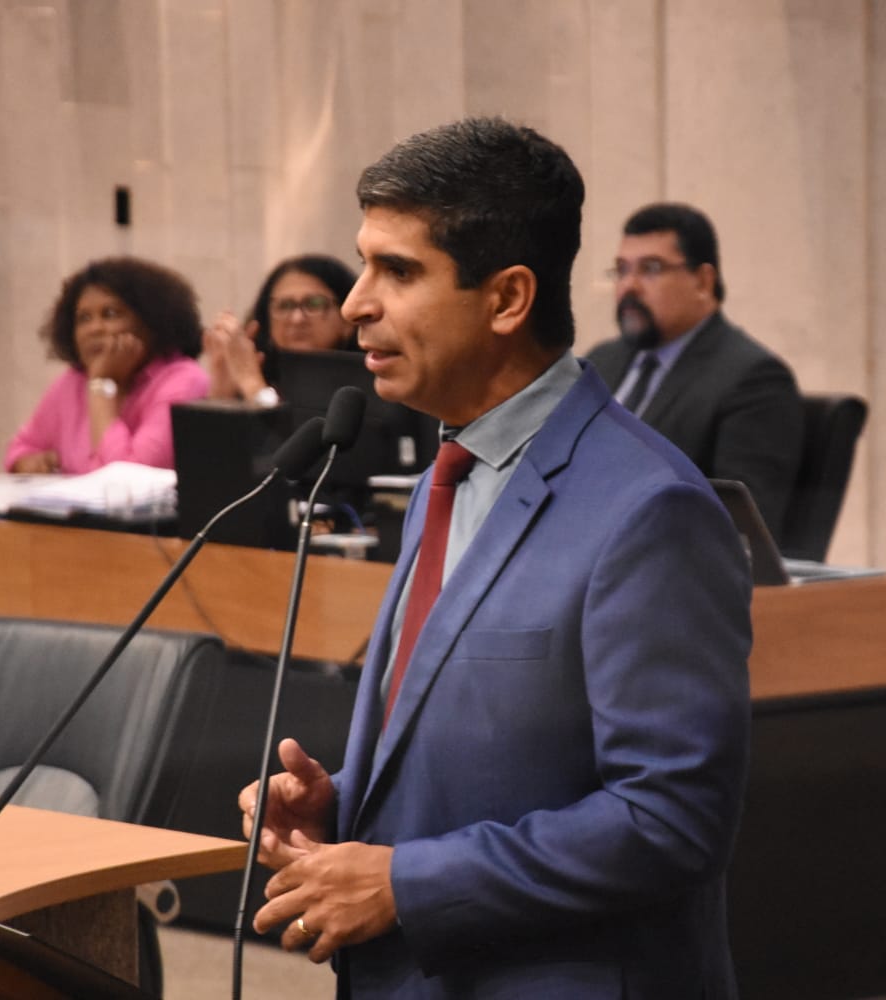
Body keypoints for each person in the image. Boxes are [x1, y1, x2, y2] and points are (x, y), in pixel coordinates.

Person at [238, 118, 753, 998]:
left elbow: (671, 819)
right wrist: (347, 802)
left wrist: (406, 883)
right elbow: (502, 754)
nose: (356, 304)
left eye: (398, 271)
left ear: (508, 299)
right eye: (363, 265)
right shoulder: (449, 473)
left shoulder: (649, 510)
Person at [585, 202, 804, 538]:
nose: (629, 286)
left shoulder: (754, 379)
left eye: (651, 269)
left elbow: (740, 527)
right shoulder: (601, 361)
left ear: (703, 281)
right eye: (622, 269)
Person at [5, 256, 208, 474]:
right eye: (84, 318)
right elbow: (21, 447)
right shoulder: (72, 382)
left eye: (110, 314)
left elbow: (127, 476)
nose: (94, 329)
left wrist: (102, 384)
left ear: (150, 322)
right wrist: (29, 462)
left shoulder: (184, 381)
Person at [201, 254, 359, 406]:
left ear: (348, 318)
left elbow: (290, 426)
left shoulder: (364, 385)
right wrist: (222, 393)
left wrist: (252, 385)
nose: (297, 319)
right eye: (285, 306)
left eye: (314, 304)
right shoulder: (261, 373)